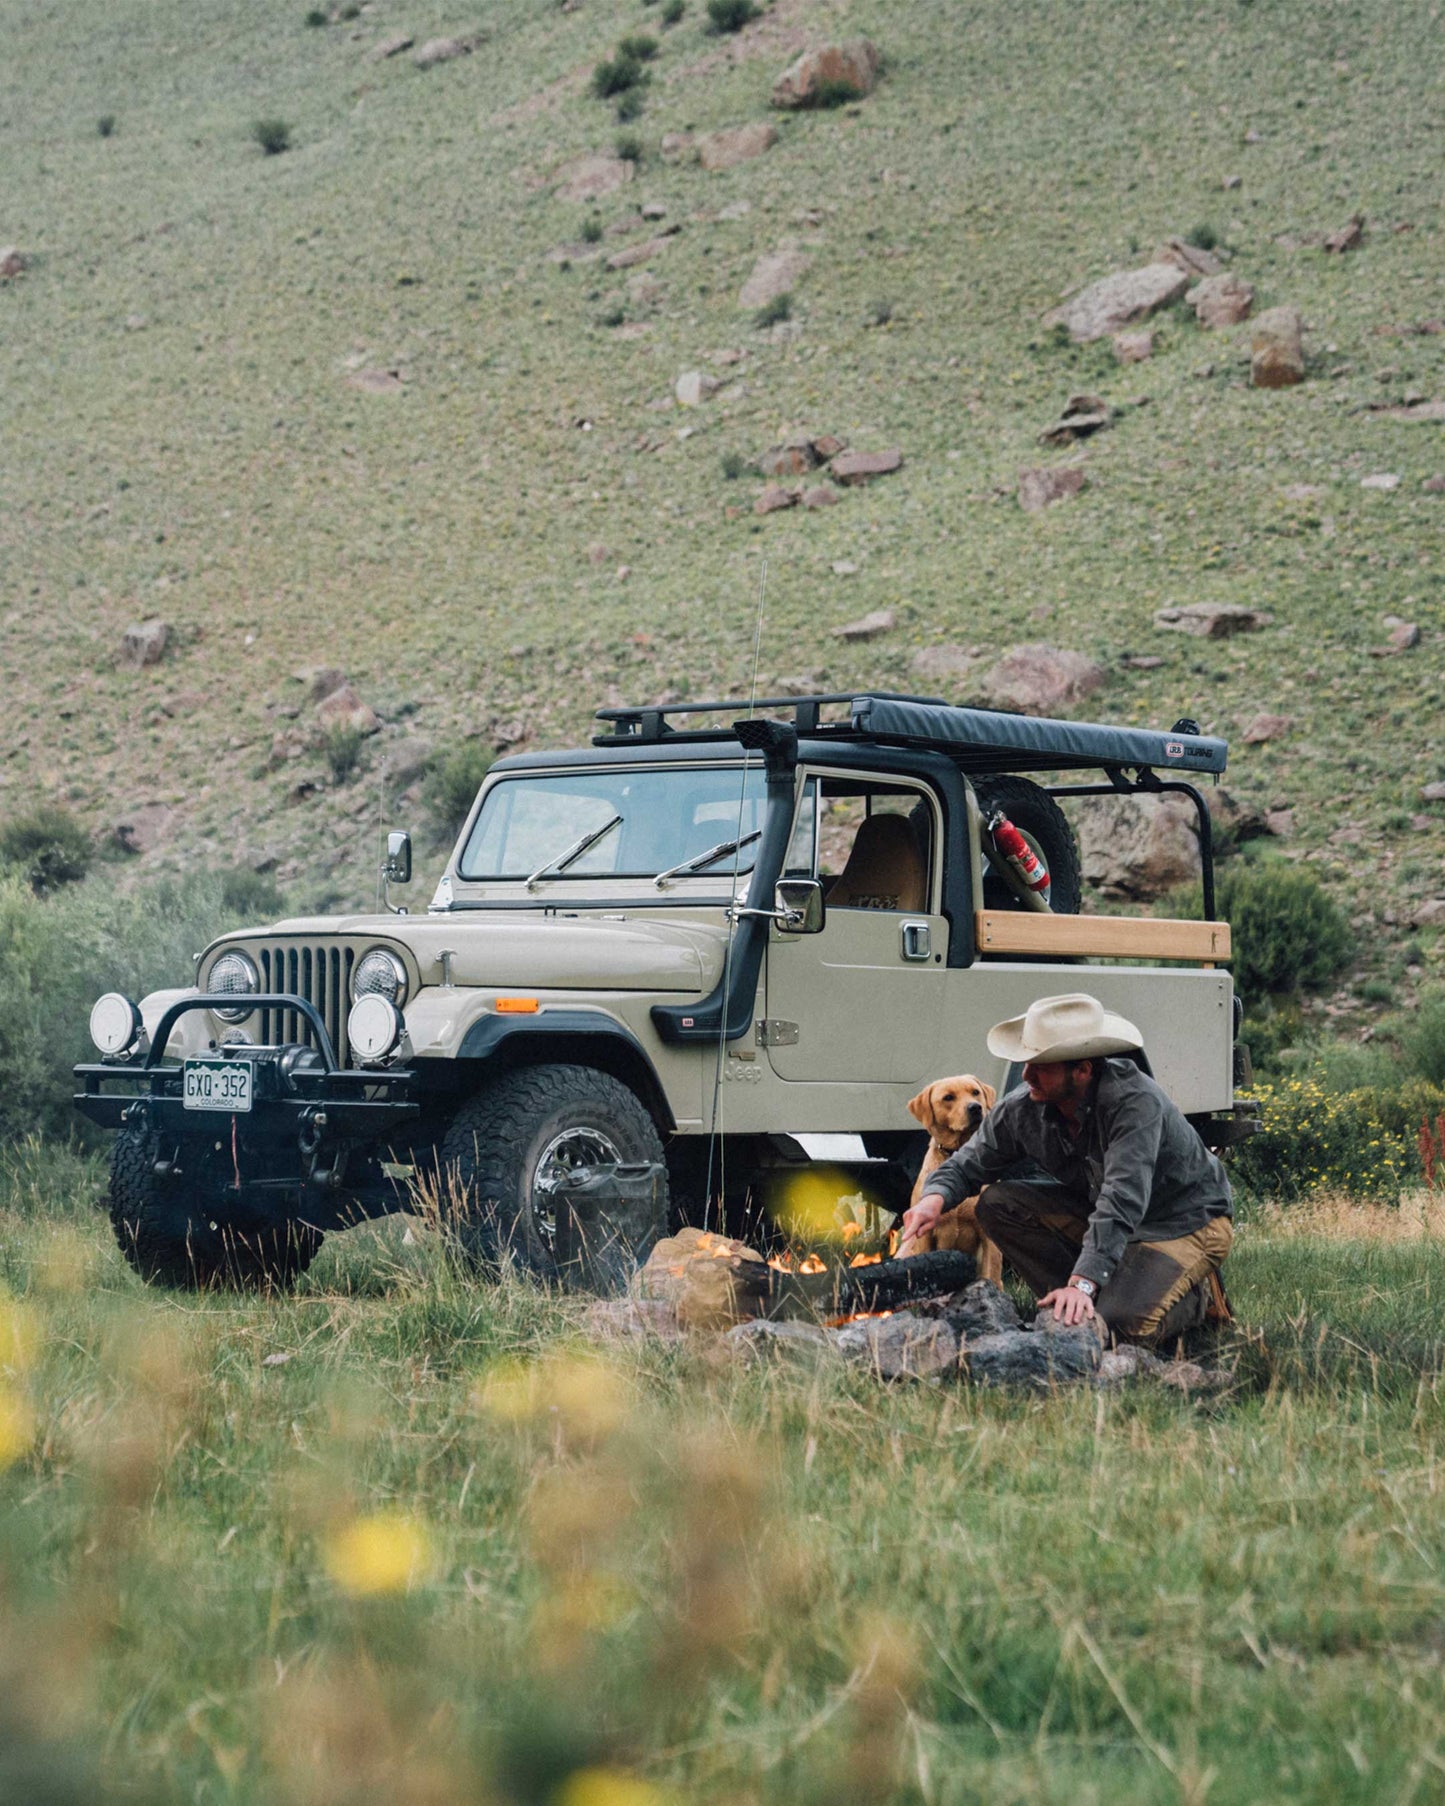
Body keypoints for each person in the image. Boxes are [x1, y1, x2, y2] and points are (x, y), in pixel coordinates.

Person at [898, 993, 1233, 1344]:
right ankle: (1074, 1305)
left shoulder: (1134, 1103)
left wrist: (1084, 1281)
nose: (1026, 1075)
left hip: (1182, 1221)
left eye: (1040, 1065)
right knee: (998, 1203)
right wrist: (934, 1197)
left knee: (1119, 1330)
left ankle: (1192, 1300)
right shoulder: (1024, 1105)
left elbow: (1122, 1199)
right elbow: (971, 1161)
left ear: (1083, 1069)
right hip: (1105, 1214)